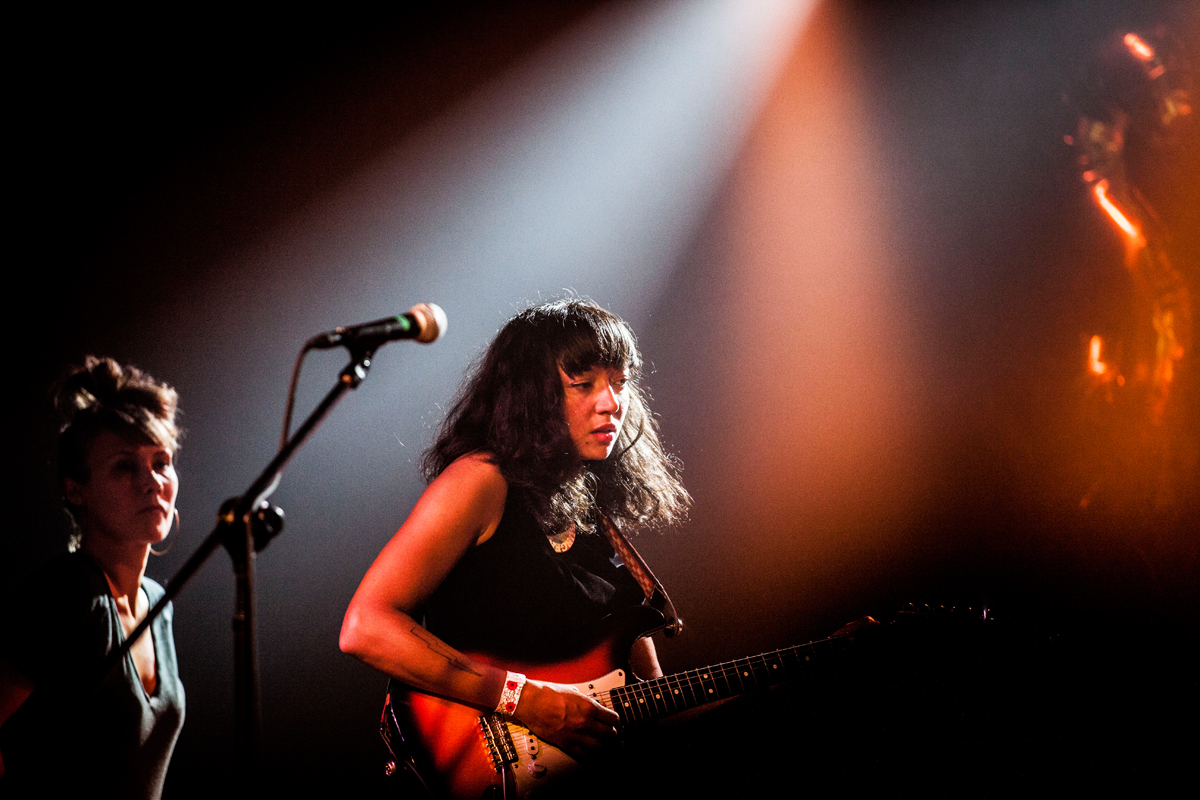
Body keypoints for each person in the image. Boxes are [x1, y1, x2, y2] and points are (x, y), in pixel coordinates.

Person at [340, 298, 689, 788]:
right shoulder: (481, 481)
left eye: (620, 382)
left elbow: (653, 697)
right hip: (481, 765)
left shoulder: (592, 506)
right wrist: (523, 700)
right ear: (532, 395)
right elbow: (365, 627)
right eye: (584, 384)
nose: (612, 402)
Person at [0, 356, 186, 799]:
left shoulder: (157, 601)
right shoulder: (68, 594)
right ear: (76, 490)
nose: (151, 482)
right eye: (124, 466)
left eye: (161, 462)